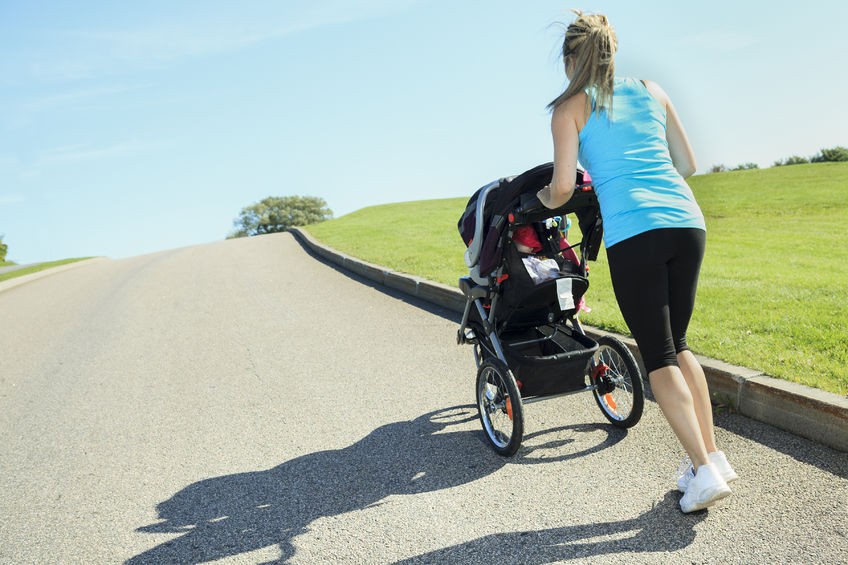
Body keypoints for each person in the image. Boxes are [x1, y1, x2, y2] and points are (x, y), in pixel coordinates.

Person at [537, 10, 737, 513]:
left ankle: (703, 473)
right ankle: (712, 455)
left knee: (659, 357)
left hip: (636, 231)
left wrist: (540, 202)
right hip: (687, 222)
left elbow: (562, 188)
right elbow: (689, 164)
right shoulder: (652, 88)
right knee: (680, 343)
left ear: (569, 60)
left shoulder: (569, 108)